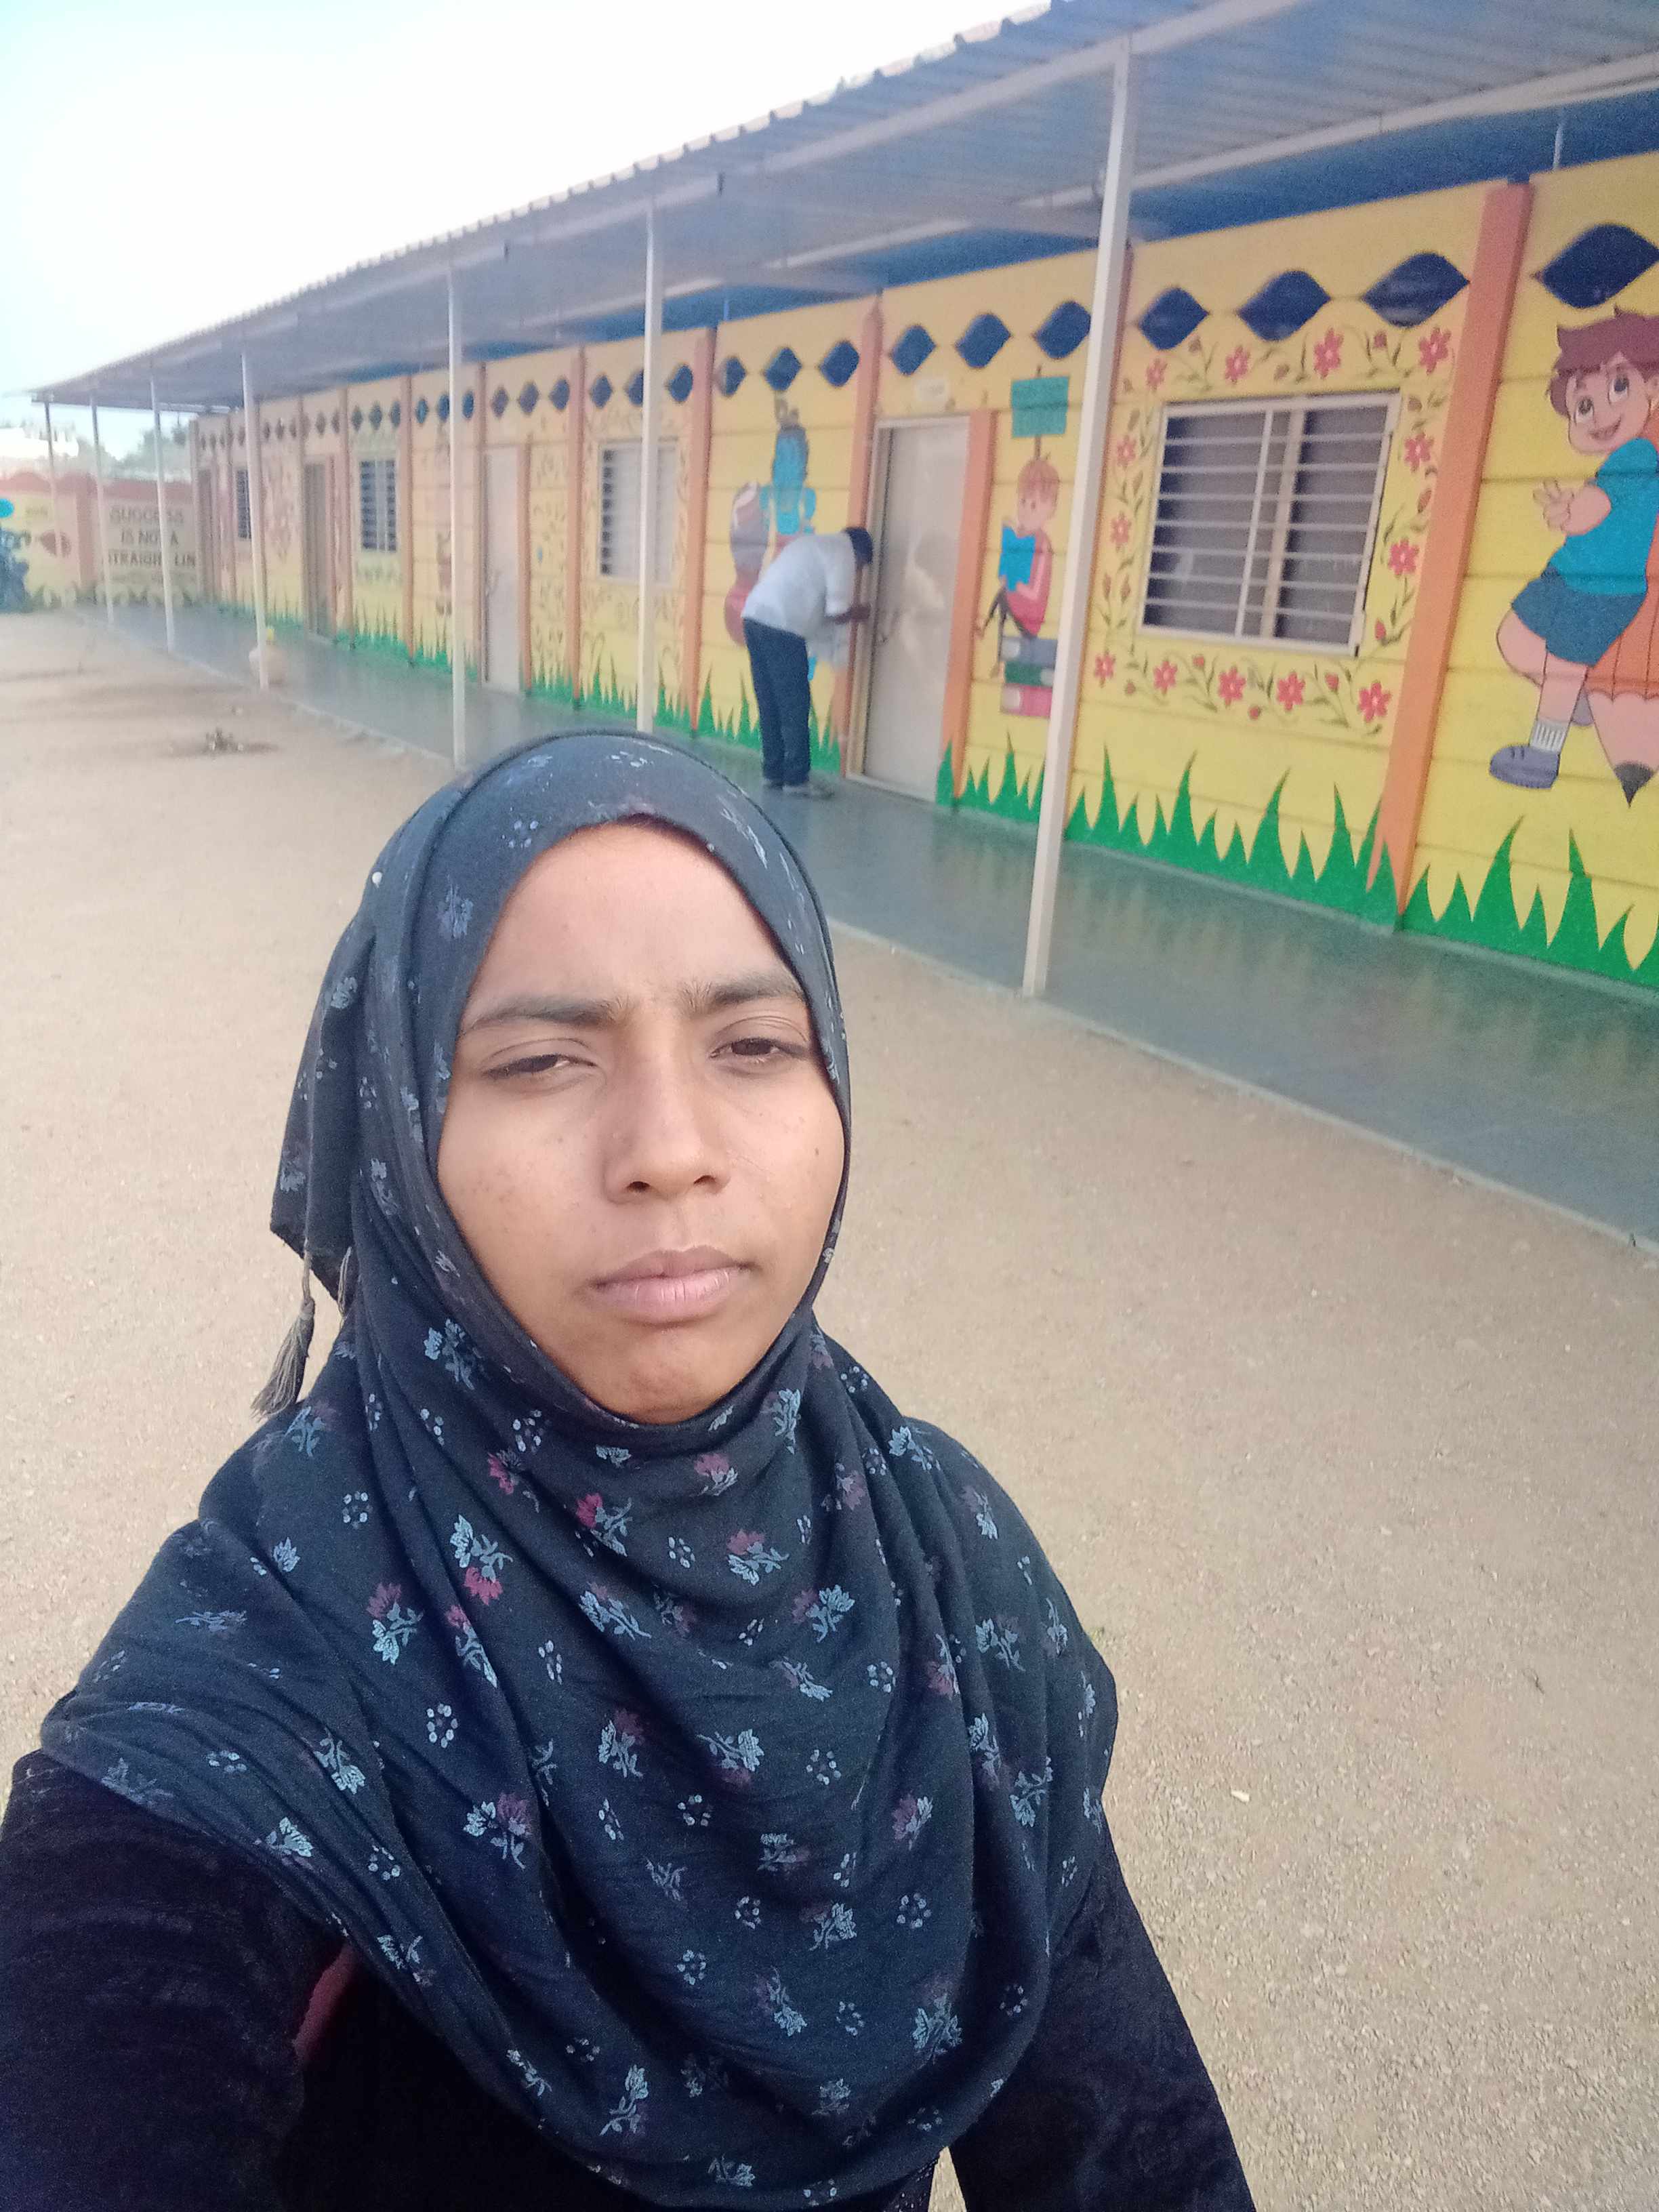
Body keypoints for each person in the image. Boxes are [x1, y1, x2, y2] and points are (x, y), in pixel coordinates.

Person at [0, 731, 1254, 2212]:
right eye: (540, 1061)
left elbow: (1127, 2141)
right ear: (400, 1126)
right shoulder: (283, 1632)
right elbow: (98, 2031)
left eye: (753, 1046)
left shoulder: (935, 1562)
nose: (669, 1148)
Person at [1491, 310, 1659, 792]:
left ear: (1652, 387)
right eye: (1583, 407)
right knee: (1513, 638)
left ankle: (1542, 757)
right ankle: (1574, 698)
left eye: (1618, 387)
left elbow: (1599, 504)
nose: (1600, 414)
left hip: (1604, 593)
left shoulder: (1639, 455)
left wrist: (1573, 511)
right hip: (1566, 575)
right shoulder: (1623, 455)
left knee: (1563, 664)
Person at [743, 527, 873, 797]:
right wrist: (861, 612)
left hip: (754, 617)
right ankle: (796, 779)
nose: (857, 574)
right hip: (782, 626)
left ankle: (773, 772)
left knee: (769, 701)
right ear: (860, 556)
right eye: (861, 569)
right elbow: (837, 612)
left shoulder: (813, 544)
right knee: (794, 704)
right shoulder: (843, 554)